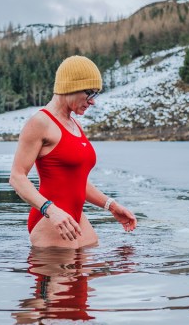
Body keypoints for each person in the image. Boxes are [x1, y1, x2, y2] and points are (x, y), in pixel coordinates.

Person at [9, 55, 137, 248]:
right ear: (70, 86)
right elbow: (17, 177)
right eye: (89, 93)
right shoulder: (40, 123)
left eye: (95, 94)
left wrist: (111, 205)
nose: (92, 101)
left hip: (75, 221)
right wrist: (52, 211)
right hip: (52, 222)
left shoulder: (74, 124)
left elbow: (75, 180)